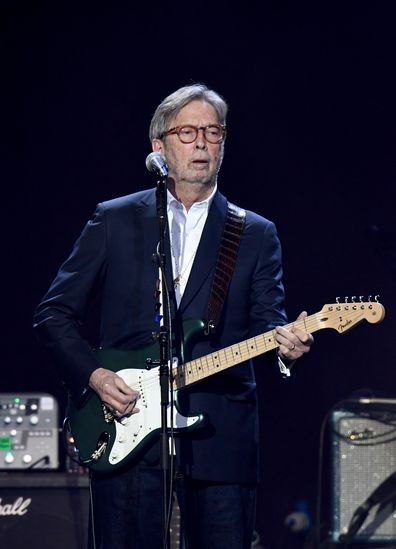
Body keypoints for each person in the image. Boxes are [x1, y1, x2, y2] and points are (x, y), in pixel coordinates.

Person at [33, 83, 314, 549]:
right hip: (124, 428)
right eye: (187, 132)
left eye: (213, 131)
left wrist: (288, 349)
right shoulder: (115, 219)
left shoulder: (256, 232)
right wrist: (96, 377)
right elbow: (53, 314)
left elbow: (270, 324)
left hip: (220, 440)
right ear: (158, 146)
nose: (202, 142)